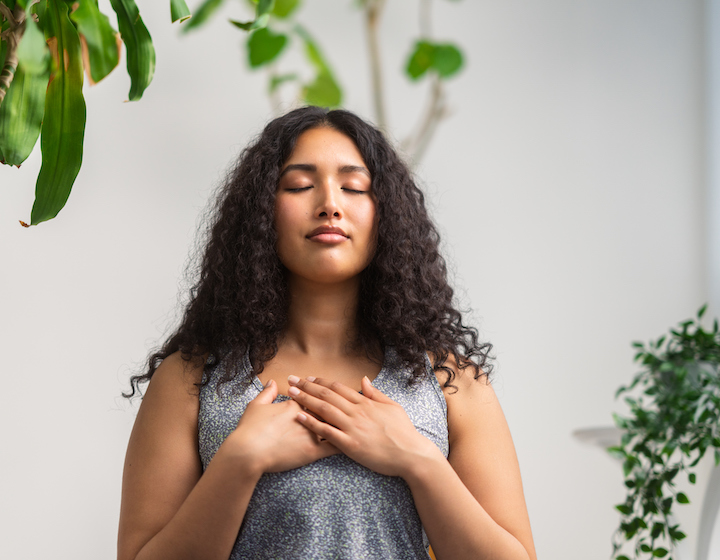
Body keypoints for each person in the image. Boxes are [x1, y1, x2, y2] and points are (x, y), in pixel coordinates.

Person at [117, 106, 537, 560]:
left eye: (354, 187)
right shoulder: (190, 380)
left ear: (387, 214)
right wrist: (239, 461)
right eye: (299, 185)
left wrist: (417, 458)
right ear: (261, 211)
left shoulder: (450, 382)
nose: (330, 204)